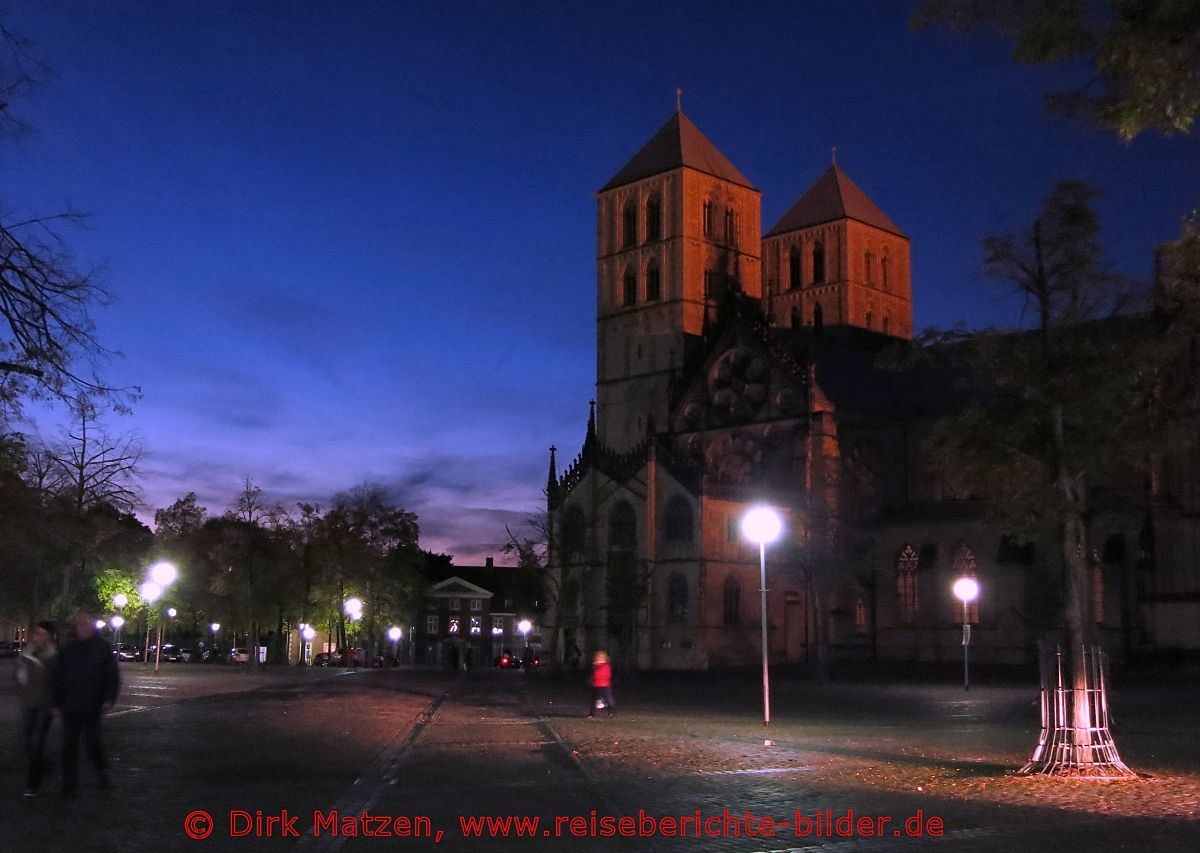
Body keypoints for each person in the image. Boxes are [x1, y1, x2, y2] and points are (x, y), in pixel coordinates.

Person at [54, 611, 120, 797]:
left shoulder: (102, 647)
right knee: (69, 745)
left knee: (93, 743)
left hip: (93, 704)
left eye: (85, 623)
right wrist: (57, 701)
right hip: (71, 704)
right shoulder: (69, 647)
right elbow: (59, 676)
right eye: (79, 623)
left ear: (92, 625)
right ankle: (69, 784)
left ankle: (101, 771)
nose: (82, 627)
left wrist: (109, 698)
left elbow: (112, 676)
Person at [15, 621, 59, 797]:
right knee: (26, 742)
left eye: (43, 634)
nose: (39, 637)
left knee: (37, 742)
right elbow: (19, 675)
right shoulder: (27, 654)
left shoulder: (54, 656)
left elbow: (59, 682)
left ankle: (32, 785)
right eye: (37, 633)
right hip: (29, 703)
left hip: (45, 705)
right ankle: (45, 766)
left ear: (49, 636)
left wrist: (56, 703)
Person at [587, 651, 615, 718]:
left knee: (608, 700)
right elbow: (593, 675)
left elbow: (605, 675)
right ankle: (591, 714)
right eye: (598, 657)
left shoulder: (605, 666)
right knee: (593, 700)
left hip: (605, 685)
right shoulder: (595, 666)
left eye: (601, 658)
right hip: (596, 685)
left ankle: (611, 713)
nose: (599, 659)